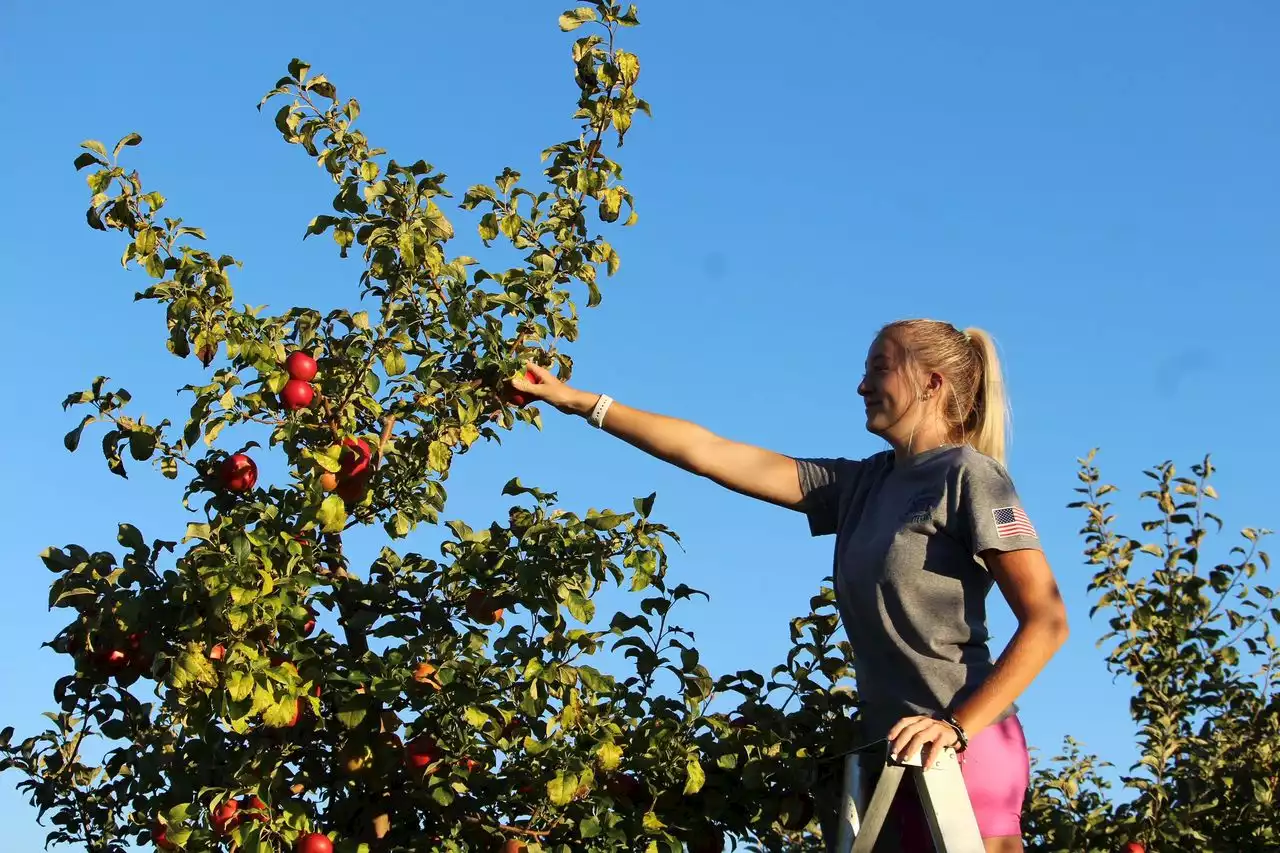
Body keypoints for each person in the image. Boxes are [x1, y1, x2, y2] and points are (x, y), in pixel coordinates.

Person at [509, 318, 1070, 853]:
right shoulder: (860, 484)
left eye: (879, 368)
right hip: (888, 752)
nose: (861, 385)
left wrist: (956, 727)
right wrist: (579, 401)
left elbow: (1048, 620)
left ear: (931, 382)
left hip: (965, 749)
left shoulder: (968, 476)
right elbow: (711, 453)